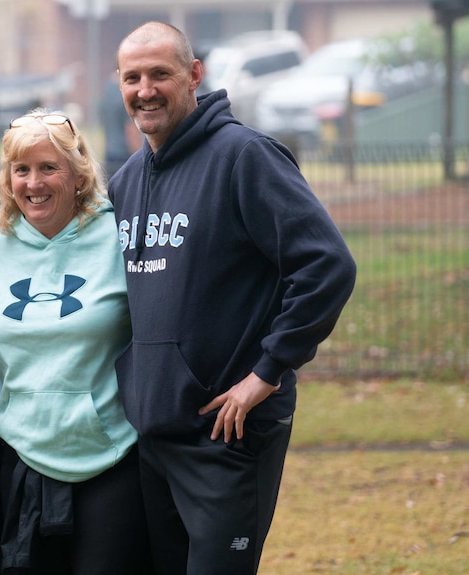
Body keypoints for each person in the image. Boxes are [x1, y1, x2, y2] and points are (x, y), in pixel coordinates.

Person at [108, 22, 357, 575]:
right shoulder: (125, 181)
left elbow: (327, 266)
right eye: (132, 77)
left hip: (228, 433)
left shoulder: (245, 157)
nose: (145, 89)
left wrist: (265, 374)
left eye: (160, 74)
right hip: (154, 434)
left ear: (194, 74)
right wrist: (11, 226)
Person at [0, 109, 152, 574]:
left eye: (49, 167)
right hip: (21, 453)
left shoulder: (119, 235)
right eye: (22, 170)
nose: (34, 182)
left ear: (78, 175)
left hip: (110, 454)